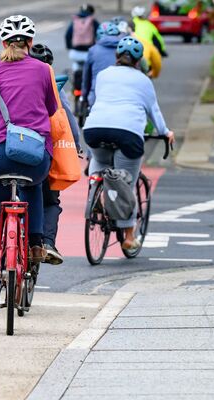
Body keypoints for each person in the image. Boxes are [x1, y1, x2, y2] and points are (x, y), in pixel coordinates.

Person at [0, 15, 57, 310]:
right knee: (34, 186)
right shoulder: (44, 70)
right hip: (33, 154)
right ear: (30, 42)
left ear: (3, 42)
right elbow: (51, 108)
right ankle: (36, 244)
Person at [83, 36, 174, 250]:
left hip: (94, 129)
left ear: (116, 56)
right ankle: (129, 236)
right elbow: (154, 111)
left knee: (100, 160)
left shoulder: (104, 74)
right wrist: (165, 132)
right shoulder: (144, 80)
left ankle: (95, 189)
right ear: (138, 60)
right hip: (127, 133)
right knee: (127, 184)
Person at [28, 43, 82, 265]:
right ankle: (48, 243)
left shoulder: (16, 80)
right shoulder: (54, 86)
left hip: (11, 150)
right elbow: (66, 118)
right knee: (50, 200)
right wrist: (76, 145)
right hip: (45, 152)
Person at [82, 21, 121, 106]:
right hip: (119, 97)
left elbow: (86, 77)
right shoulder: (123, 50)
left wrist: (84, 97)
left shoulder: (93, 50)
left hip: (97, 97)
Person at [65, 4, 99, 91]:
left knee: (76, 67)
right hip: (88, 53)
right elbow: (99, 35)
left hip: (75, 53)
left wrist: (70, 47)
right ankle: (89, 89)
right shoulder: (93, 22)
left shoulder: (75, 21)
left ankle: (75, 88)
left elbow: (67, 35)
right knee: (91, 71)